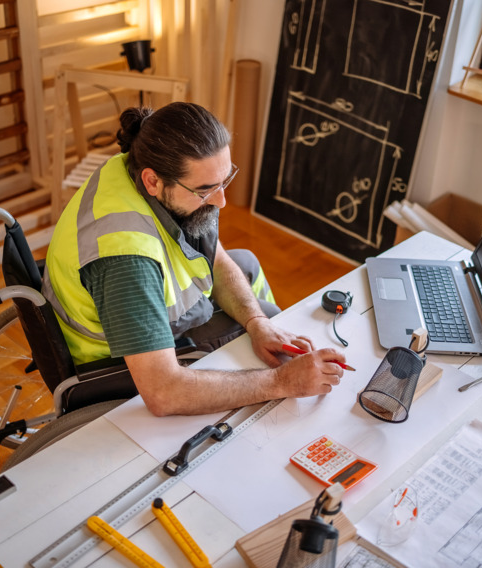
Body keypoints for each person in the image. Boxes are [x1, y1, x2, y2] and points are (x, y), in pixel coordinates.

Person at [43, 102, 347, 416]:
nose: (222, 201)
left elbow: (215, 258)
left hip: (136, 307)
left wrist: (258, 324)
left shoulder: (137, 166)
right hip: (116, 360)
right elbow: (164, 393)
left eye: (224, 180)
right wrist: (281, 381)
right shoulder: (125, 260)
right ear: (152, 182)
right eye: (205, 190)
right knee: (270, 335)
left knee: (247, 266)